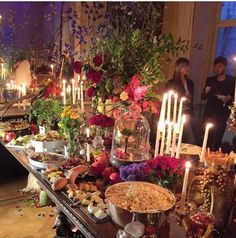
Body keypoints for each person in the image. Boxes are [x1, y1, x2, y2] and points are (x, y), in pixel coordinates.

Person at [201, 56, 235, 151]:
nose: (217, 69)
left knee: (219, 137)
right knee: (208, 137)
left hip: (223, 114)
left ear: (225, 67)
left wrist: (229, 97)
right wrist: (207, 91)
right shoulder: (211, 80)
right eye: (215, 67)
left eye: (220, 66)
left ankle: (215, 158)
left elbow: (233, 97)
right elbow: (203, 97)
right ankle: (205, 157)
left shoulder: (231, 81)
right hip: (210, 113)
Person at [166, 57, 195, 144]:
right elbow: (170, 97)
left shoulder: (190, 82)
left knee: (189, 138)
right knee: (175, 137)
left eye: (188, 66)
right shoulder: (172, 82)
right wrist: (180, 99)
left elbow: (191, 98)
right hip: (175, 112)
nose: (187, 69)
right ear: (179, 67)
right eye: (185, 66)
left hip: (187, 112)